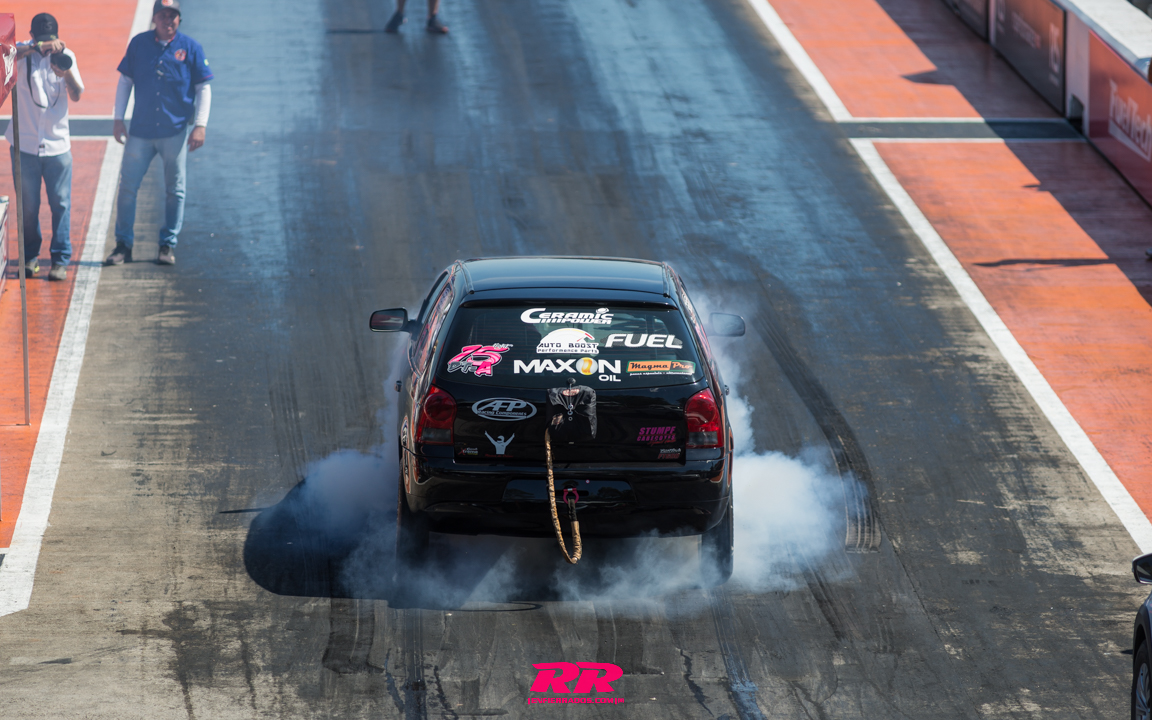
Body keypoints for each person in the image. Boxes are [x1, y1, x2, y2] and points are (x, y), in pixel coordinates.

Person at [106, 0, 212, 267]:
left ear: (179, 19)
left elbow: (203, 87)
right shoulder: (139, 44)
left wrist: (200, 125)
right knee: (127, 188)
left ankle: (167, 244)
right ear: (154, 18)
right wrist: (118, 119)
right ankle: (123, 245)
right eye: (163, 15)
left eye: (173, 16)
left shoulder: (190, 48)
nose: (168, 20)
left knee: (175, 190)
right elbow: (125, 81)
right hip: (140, 131)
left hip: (174, 132)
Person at [5, 13, 84, 281]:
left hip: (57, 147)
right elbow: (7, 55)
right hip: (25, 146)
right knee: (28, 207)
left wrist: (66, 72)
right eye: (42, 40)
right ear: (33, 36)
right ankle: (30, 257)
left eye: (50, 40)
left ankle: (60, 260)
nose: (47, 46)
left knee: (61, 204)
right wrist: (34, 48)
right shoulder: (20, 53)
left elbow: (77, 94)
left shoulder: (66, 56)